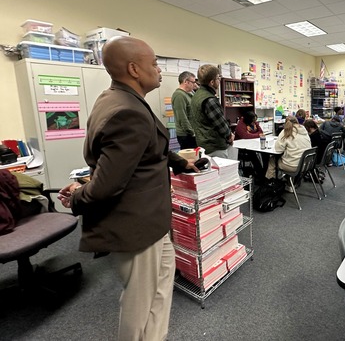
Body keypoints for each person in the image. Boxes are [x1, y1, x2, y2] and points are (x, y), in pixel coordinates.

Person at [57, 36, 199, 341]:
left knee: (161, 290)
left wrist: (179, 162)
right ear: (134, 69)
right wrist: (78, 196)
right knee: (140, 302)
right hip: (136, 226)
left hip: (153, 222)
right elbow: (107, 184)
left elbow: (147, 147)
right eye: (154, 64)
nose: (160, 70)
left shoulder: (118, 98)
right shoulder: (127, 112)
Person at [190, 64, 235, 158]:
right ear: (212, 82)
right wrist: (229, 136)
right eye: (218, 78)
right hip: (215, 147)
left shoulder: (196, 96)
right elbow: (221, 125)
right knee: (224, 172)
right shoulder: (209, 99)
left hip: (203, 144)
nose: (219, 80)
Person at [265, 116, 311, 187]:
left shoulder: (286, 131)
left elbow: (278, 149)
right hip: (305, 164)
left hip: (293, 166)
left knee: (272, 159)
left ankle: (270, 183)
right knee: (291, 157)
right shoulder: (304, 131)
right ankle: (290, 182)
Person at [235, 111, 267, 180]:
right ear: (248, 120)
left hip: (252, 144)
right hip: (242, 148)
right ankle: (260, 175)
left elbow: (261, 131)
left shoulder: (253, 121)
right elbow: (245, 136)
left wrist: (253, 135)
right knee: (252, 155)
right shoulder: (240, 125)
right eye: (253, 121)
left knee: (265, 153)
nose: (254, 122)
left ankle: (265, 173)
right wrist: (257, 135)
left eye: (255, 121)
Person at [171, 71, 197, 149]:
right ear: (186, 82)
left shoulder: (189, 93)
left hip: (192, 132)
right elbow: (182, 118)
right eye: (193, 82)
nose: (195, 85)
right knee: (190, 158)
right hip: (186, 135)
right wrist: (192, 133)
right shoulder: (179, 95)